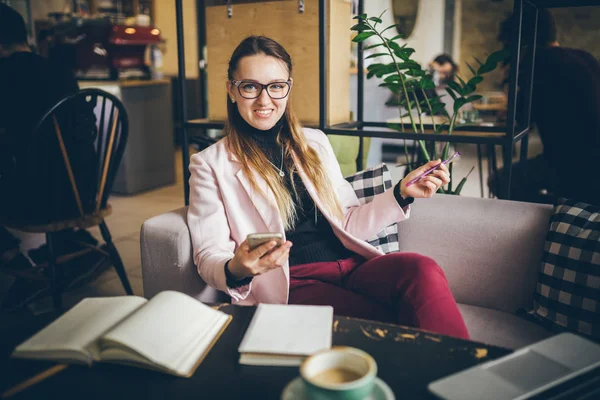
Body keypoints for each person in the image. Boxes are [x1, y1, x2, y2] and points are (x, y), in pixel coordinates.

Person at [188, 36, 469, 339]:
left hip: (352, 267)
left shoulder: (315, 143)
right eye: (250, 86)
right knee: (387, 322)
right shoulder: (209, 164)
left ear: (288, 87)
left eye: (276, 86)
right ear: (232, 90)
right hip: (292, 282)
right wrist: (237, 268)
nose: (265, 99)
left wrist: (401, 192)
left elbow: (347, 221)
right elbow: (208, 255)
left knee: (421, 270)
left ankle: (463, 376)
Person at [0, 4, 99, 311]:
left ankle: (17, 262)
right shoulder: (59, 70)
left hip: (42, 201)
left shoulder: (5, 76)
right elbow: (88, 129)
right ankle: (69, 246)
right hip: (84, 192)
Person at [490, 9, 600, 206]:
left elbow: (521, 121)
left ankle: (563, 210)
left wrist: (510, 78)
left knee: (500, 181)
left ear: (519, 41)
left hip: (571, 163)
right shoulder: (585, 57)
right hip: (589, 159)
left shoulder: (536, 64)